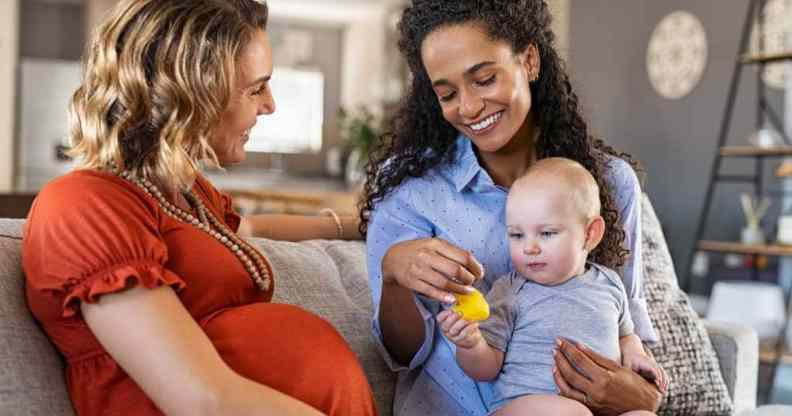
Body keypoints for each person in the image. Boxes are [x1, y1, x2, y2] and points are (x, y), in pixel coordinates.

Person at [23, 1, 376, 415]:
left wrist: (362, 225)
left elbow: (243, 230)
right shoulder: (83, 206)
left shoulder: (188, 196)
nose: (270, 106)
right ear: (190, 92)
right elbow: (203, 400)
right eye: (255, 88)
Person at [361, 1, 667, 414]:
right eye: (447, 93)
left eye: (484, 79)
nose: (467, 107)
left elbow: (626, 323)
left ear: (529, 60)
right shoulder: (411, 188)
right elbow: (399, 353)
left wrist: (642, 393)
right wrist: (395, 272)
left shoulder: (609, 182)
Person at [437, 158, 666, 416]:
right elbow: (486, 368)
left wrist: (636, 355)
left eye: (546, 233)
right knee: (571, 413)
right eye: (516, 235)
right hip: (522, 407)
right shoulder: (510, 291)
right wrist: (470, 344)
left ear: (590, 234)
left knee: (644, 415)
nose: (529, 247)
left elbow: (626, 334)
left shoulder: (610, 283)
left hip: (599, 410)